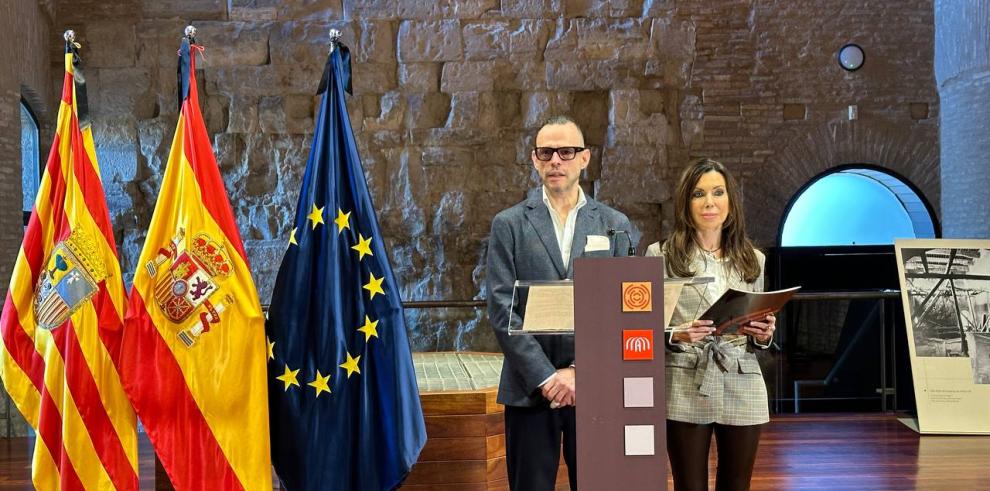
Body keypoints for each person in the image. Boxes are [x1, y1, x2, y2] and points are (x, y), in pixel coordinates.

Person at [486, 115, 635, 491]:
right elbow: (502, 307)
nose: (556, 160)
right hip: (531, 387)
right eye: (546, 152)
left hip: (597, 385)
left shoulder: (615, 225)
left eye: (566, 151)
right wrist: (548, 377)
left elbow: (625, 311)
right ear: (534, 159)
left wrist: (580, 371)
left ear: (584, 158)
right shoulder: (509, 224)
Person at [645, 158, 775, 491]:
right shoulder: (659, 256)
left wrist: (763, 334)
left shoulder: (753, 259)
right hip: (685, 378)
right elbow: (640, 329)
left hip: (741, 377)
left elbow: (757, 329)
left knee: (737, 484)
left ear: (730, 201)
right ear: (685, 203)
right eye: (699, 194)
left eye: (718, 192)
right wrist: (676, 333)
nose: (709, 202)